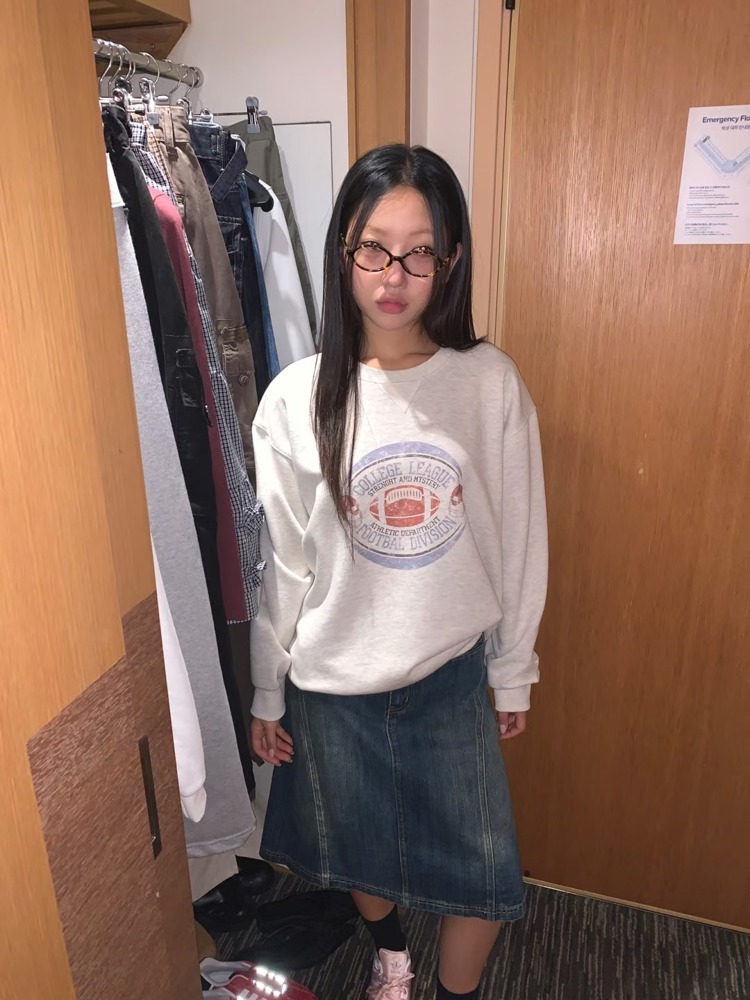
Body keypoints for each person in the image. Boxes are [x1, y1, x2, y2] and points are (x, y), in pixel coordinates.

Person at [250, 144, 548, 1000]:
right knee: (360, 852)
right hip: (333, 685)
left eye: (420, 253)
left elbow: (520, 536)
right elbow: (285, 562)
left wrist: (513, 669)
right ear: (343, 250)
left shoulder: (487, 383)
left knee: (484, 873)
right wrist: (268, 689)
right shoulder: (297, 397)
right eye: (374, 248)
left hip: (448, 676)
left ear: (449, 263)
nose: (394, 276)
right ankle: (391, 957)